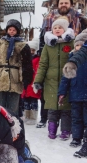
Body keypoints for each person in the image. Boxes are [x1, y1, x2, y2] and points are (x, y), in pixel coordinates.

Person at [37, 0, 87, 128]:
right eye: (61, 3)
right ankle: (45, 119)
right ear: (57, 5)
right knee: (49, 96)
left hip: (74, 58)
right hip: (52, 62)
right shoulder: (49, 17)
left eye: (66, 2)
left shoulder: (79, 18)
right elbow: (42, 35)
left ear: (70, 4)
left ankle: (70, 127)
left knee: (69, 99)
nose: (63, 5)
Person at [33, 17, 75, 140]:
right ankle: (51, 130)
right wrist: (38, 80)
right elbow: (43, 64)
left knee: (66, 108)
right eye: (55, 28)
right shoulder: (48, 45)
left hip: (67, 80)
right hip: (50, 81)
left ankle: (65, 131)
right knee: (52, 107)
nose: (57, 29)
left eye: (60, 27)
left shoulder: (71, 43)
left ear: (65, 29)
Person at [0, 19, 33, 116]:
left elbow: (27, 63)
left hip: (15, 79)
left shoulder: (22, 45)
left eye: (14, 30)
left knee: (12, 110)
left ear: (18, 31)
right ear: (7, 30)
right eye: (10, 29)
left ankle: (12, 128)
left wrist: (27, 78)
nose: (12, 32)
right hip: (0, 78)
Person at [61, 30, 87, 158]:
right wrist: (73, 62)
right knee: (78, 118)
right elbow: (83, 51)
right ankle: (81, 142)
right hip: (78, 93)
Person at [21, 38, 41, 125]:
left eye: (33, 50)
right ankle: (26, 116)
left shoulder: (37, 59)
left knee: (33, 101)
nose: (31, 51)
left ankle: (33, 117)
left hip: (32, 82)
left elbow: (37, 70)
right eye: (30, 50)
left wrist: (36, 81)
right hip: (26, 82)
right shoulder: (25, 59)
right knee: (26, 101)